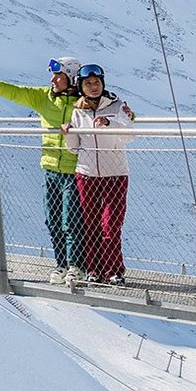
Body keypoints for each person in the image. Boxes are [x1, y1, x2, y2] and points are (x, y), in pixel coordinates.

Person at [0, 56, 84, 284]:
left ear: (71, 78)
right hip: (50, 168)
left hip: (74, 169)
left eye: (58, 76)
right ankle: (61, 264)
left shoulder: (84, 103)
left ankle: (76, 265)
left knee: (72, 220)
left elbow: (111, 112)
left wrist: (128, 115)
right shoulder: (44, 97)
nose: (52, 80)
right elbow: (15, 92)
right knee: (53, 220)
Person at [62, 64, 135, 285]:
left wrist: (109, 123)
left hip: (115, 173)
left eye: (97, 83)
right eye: (88, 84)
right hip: (86, 173)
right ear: (81, 87)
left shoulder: (117, 105)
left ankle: (113, 270)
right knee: (91, 224)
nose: (93, 87)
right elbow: (74, 148)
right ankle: (94, 268)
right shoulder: (78, 111)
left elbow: (129, 135)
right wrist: (68, 133)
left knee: (110, 225)